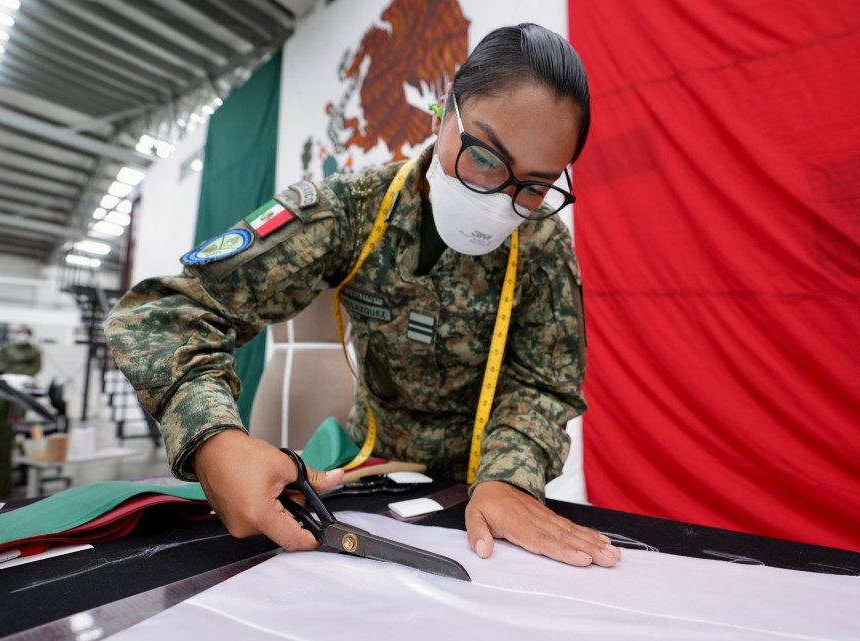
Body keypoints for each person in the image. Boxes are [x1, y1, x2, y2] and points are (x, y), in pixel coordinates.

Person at [107, 23, 619, 568]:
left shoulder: (542, 244)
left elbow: (544, 383)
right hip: (373, 477)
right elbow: (166, 314)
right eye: (485, 157)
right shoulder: (353, 211)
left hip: (488, 491)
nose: (499, 200)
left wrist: (510, 478)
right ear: (444, 111)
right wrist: (213, 439)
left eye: (535, 186)